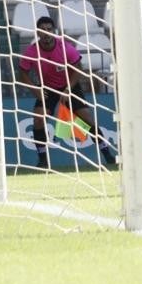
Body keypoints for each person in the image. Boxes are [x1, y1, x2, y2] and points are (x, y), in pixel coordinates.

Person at [18, 16, 116, 169]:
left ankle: (107, 154)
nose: (46, 33)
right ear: (37, 33)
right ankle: (43, 160)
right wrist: (35, 88)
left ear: (54, 31)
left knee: (87, 120)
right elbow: (22, 72)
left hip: (69, 86)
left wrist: (68, 89)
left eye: (49, 29)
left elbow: (78, 67)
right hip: (47, 88)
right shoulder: (31, 51)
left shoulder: (65, 47)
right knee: (38, 119)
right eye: (42, 30)